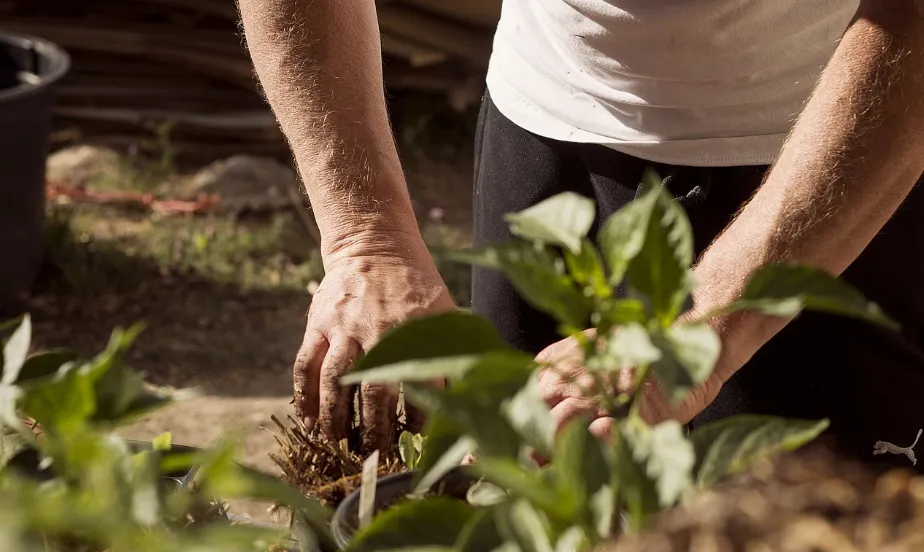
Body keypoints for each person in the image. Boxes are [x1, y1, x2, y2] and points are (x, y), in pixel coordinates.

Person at [238, 0, 924, 461]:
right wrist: (366, 236)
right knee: (524, 518)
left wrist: (703, 326)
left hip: (829, 165)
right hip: (542, 130)